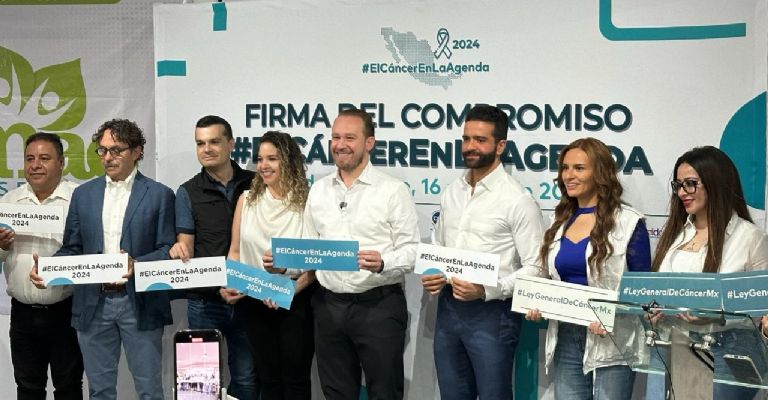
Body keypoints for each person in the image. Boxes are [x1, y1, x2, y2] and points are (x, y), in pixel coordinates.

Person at [31, 119, 175, 400]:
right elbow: (73, 247)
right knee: (100, 392)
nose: (107, 157)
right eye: (102, 150)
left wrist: (137, 264)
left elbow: (168, 249)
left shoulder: (160, 195)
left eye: (116, 150)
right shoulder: (83, 195)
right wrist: (48, 269)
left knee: (149, 390)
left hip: (139, 302)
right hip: (93, 303)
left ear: (137, 151)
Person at [420, 104, 546, 400]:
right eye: (466, 139)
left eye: (480, 140)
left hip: (493, 314)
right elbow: (438, 245)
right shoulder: (452, 191)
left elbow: (537, 268)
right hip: (448, 309)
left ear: (500, 146)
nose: (470, 147)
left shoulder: (517, 200)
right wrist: (432, 272)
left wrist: (488, 289)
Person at [303, 108, 419, 400]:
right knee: (336, 393)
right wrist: (282, 264)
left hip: (378, 307)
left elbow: (413, 250)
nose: (340, 144)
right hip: (328, 307)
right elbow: (308, 247)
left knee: (385, 393)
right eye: (335, 137)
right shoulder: (318, 190)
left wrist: (383, 262)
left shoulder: (392, 190)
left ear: (369, 143)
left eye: (350, 138)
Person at [525, 137, 651, 400]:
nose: (568, 175)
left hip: (613, 337)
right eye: (565, 168)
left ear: (600, 172)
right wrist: (534, 301)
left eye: (579, 168)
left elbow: (642, 290)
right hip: (567, 334)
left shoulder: (628, 221)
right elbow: (544, 275)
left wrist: (611, 315)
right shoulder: (559, 220)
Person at [652, 146, 768, 399]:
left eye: (690, 184)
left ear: (716, 182)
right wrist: (652, 311)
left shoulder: (750, 237)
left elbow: (759, 308)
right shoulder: (675, 235)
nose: (682, 192)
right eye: (678, 185)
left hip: (730, 350)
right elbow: (657, 291)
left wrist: (715, 317)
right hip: (674, 345)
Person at [169, 115, 258, 400]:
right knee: (199, 385)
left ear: (231, 144)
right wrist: (178, 250)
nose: (206, 149)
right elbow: (185, 245)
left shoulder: (255, 184)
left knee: (247, 378)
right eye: (200, 143)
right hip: (204, 302)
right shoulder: (187, 191)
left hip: (248, 298)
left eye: (214, 142)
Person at [225, 130, 316, 400]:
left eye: (272, 158)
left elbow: (315, 263)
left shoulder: (309, 202)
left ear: (288, 161)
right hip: (254, 301)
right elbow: (235, 251)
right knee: (268, 379)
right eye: (260, 159)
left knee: (296, 380)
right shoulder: (246, 199)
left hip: (296, 302)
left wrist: (288, 291)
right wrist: (231, 283)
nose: (264, 165)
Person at [0, 133, 83, 400]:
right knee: (28, 389)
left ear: (61, 163)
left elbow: (89, 251)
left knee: (69, 388)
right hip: (22, 314)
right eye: (30, 159)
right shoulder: (7, 202)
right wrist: (2, 246)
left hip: (66, 311)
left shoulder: (79, 200)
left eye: (44, 158)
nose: (35, 165)